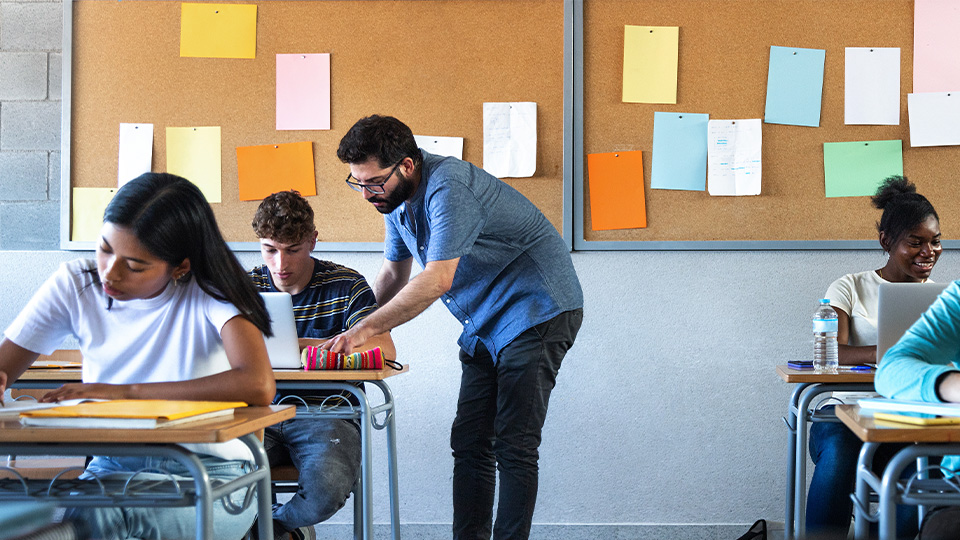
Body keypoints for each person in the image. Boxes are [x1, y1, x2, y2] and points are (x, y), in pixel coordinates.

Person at [328, 115, 584, 540]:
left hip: (537, 310)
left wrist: (363, 331)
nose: (367, 193)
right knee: (468, 442)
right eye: (358, 183)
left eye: (374, 182)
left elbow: (436, 280)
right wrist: (350, 326)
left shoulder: (450, 188)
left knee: (514, 446)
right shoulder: (394, 200)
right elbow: (394, 273)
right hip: (484, 322)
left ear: (406, 166)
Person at [0, 172, 276, 540]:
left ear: (181, 266)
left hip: (213, 473)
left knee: (98, 523)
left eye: (134, 265)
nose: (109, 273)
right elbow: (4, 368)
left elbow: (257, 384)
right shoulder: (75, 282)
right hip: (110, 464)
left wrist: (123, 392)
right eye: (104, 248)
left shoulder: (212, 289)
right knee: (57, 521)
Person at [249, 190, 396, 540]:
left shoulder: (347, 285)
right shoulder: (246, 286)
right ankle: (276, 532)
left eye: (292, 250)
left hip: (327, 414)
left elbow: (385, 348)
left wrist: (301, 346)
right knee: (218, 477)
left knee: (326, 490)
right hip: (256, 412)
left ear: (313, 240)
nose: (280, 265)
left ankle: (276, 527)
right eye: (270, 250)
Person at [807, 175, 942, 539]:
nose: (928, 251)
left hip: (909, 418)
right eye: (916, 242)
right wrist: (888, 353)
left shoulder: (943, 300)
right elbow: (833, 350)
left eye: (935, 242)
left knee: (926, 473)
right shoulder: (849, 286)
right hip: (844, 415)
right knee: (837, 459)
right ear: (886, 241)